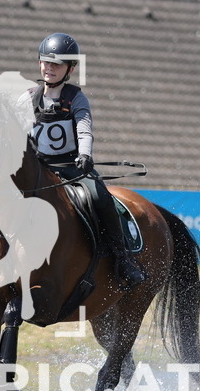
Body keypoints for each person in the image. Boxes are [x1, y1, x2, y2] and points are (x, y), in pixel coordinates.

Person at [28, 32, 145, 289]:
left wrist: (85, 154)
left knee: (100, 198)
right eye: (46, 62)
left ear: (70, 68)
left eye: (56, 64)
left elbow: (84, 128)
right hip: (38, 169)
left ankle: (123, 259)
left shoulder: (75, 98)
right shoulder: (27, 98)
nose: (50, 68)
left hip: (72, 168)